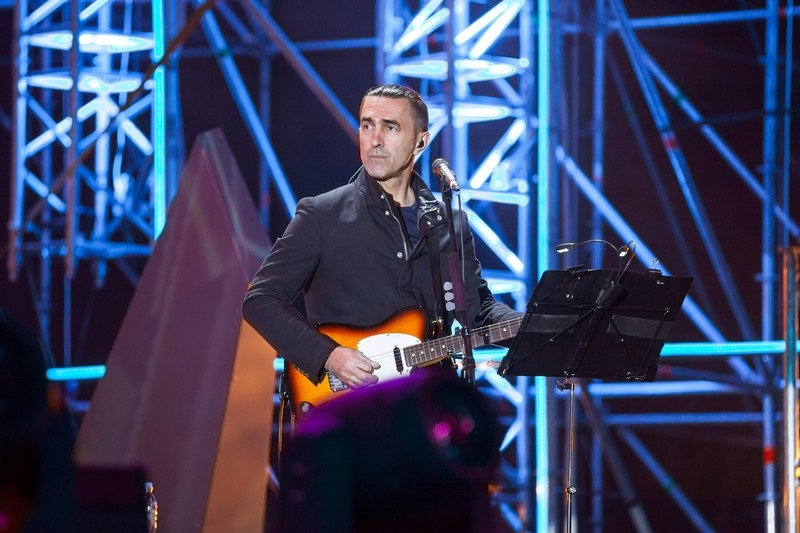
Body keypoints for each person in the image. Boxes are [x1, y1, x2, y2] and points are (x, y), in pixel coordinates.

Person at [241, 83, 520, 399]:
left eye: (390, 127)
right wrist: (329, 355)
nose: (374, 140)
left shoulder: (447, 223)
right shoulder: (322, 215)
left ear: (420, 142)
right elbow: (260, 299)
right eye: (367, 125)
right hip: (346, 405)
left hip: (426, 403)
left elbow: (477, 310)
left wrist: (539, 325)